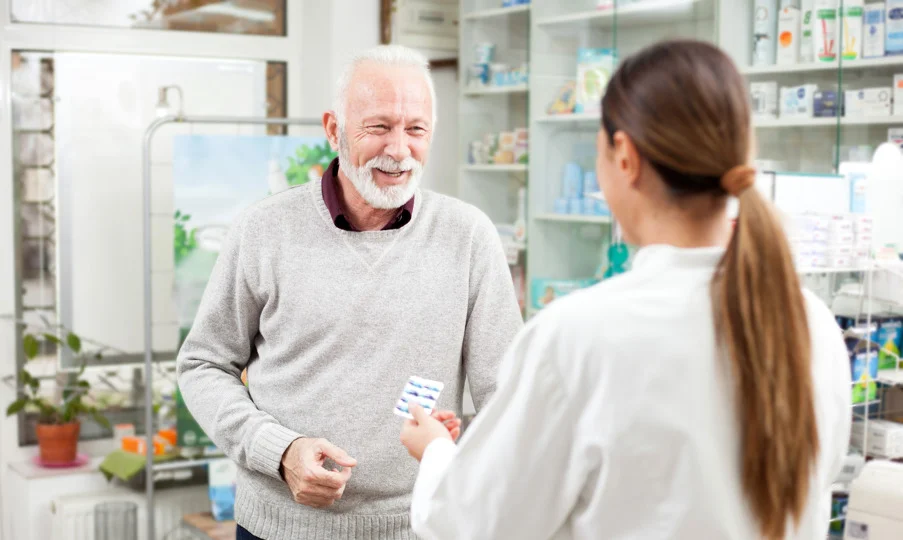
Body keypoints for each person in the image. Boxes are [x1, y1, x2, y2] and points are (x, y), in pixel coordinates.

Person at [400, 39, 852, 540]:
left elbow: (468, 524)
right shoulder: (811, 323)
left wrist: (437, 450)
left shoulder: (578, 337)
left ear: (625, 158)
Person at [177, 44, 523, 540]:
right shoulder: (263, 230)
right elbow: (203, 364)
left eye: (416, 129)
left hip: (421, 527)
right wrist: (278, 451)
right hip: (280, 529)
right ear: (334, 129)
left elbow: (506, 397)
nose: (399, 149)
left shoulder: (468, 236)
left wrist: (469, 464)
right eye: (379, 127)